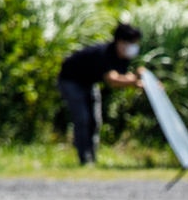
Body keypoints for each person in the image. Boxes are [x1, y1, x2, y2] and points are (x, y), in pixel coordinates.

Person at [57, 21, 142, 165]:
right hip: (70, 80)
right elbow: (113, 80)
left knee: (95, 121)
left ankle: (92, 158)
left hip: (88, 83)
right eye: (131, 42)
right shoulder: (105, 53)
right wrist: (136, 82)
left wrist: (142, 78)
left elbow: (125, 76)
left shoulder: (122, 57)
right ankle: (84, 159)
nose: (134, 46)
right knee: (83, 119)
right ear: (120, 42)